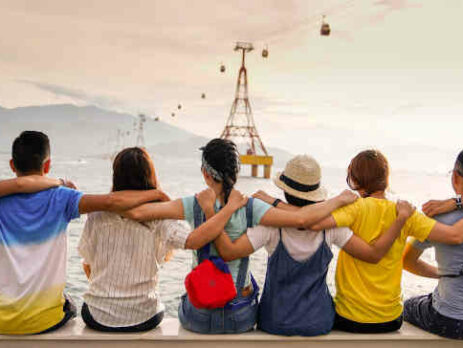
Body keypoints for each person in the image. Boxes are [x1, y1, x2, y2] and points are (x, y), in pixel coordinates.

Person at [124, 138, 358, 334]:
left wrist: (157, 193)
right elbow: (302, 219)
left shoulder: (193, 203)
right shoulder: (251, 207)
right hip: (240, 316)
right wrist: (338, 201)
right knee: (250, 289)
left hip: (199, 316)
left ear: (205, 174)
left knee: (187, 298)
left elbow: (136, 212)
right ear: (237, 172)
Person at [210, 154, 415, 336]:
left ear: (285, 191)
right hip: (319, 322)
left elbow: (229, 252)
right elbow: (372, 255)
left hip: (274, 321)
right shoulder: (333, 228)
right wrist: (400, 220)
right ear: (315, 192)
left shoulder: (271, 225)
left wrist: (217, 213)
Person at [276, 150, 463, 333]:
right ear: (386, 179)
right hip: (390, 321)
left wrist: (275, 204)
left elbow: (310, 222)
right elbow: (453, 235)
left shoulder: (354, 208)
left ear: (355, 181)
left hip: (349, 318)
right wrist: (457, 202)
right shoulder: (405, 213)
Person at [0, 131, 167, 335]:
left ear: (11, 165)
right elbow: (111, 202)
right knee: (69, 302)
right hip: (45, 320)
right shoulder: (63, 198)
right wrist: (157, 194)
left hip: (3, 320)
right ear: (47, 165)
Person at [78, 147, 249, 332]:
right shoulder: (160, 218)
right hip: (143, 316)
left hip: (97, 315)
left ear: (116, 176)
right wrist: (228, 209)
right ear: (150, 176)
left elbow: (88, 265)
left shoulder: (97, 215)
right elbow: (193, 240)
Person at [402, 150, 463, 339]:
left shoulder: (440, 218)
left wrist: (444, 275)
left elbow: (407, 261)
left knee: (407, 306)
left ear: (454, 177)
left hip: (449, 321)